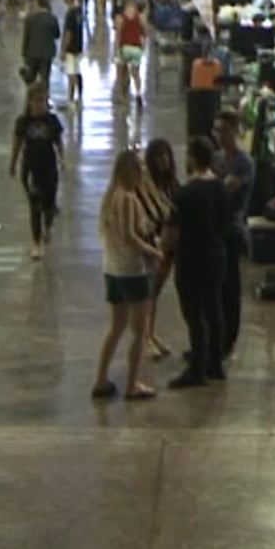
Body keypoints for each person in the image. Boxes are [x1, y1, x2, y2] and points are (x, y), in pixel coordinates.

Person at [90, 149, 161, 401]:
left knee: (116, 327)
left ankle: (101, 379)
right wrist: (153, 252)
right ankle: (132, 384)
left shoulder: (111, 197)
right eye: (139, 168)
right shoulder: (128, 198)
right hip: (132, 271)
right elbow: (131, 236)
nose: (142, 173)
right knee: (139, 332)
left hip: (112, 269)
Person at [165, 138, 231, 388]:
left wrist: (163, 249)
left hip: (191, 258)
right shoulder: (221, 188)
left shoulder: (184, 193)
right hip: (216, 256)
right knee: (214, 310)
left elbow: (172, 231)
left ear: (192, 158)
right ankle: (215, 363)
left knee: (194, 315)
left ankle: (197, 370)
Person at [215, 111, 256, 361]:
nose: (220, 136)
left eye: (224, 130)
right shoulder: (217, 159)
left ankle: (227, 342)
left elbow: (224, 192)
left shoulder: (243, 163)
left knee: (229, 290)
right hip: (214, 230)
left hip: (231, 230)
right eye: (217, 130)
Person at [8, 83, 65, 261]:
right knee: (35, 205)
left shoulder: (52, 120)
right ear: (30, 102)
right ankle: (36, 242)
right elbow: (17, 143)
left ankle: (48, 226)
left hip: (49, 166)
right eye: (37, 101)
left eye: (43, 101)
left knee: (49, 203)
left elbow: (58, 141)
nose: (40, 105)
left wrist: (62, 159)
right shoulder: (23, 122)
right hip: (31, 168)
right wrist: (13, 163)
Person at [140, 137, 181, 361]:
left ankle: (151, 334)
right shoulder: (147, 187)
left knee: (154, 293)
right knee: (147, 293)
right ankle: (145, 338)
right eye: (158, 156)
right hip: (152, 245)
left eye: (165, 156)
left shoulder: (173, 185)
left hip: (169, 247)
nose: (162, 161)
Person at [19, 0, 60, 88]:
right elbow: (57, 35)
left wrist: (24, 53)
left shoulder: (30, 19)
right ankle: (44, 95)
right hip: (47, 53)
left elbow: (26, 37)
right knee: (45, 78)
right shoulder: (52, 18)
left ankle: (30, 94)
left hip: (32, 52)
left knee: (31, 78)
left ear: (37, 4)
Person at [114, 0, 148, 107]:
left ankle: (122, 96)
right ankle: (138, 93)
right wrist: (143, 47)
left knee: (121, 73)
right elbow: (145, 33)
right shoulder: (140, 17)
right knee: (136, 73)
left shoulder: (120, 18)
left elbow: (118, 35)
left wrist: (117, 50)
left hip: (124, 48)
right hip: (136, 48)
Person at [60, 0, 87, 104]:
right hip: (79, 46)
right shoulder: (79, 12)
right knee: (77, 70)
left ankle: (71, 98)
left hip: (71, 48)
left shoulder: (70, 14)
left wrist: (63, 49)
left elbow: (68, 33)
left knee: (71, 73)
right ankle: (79, 94)